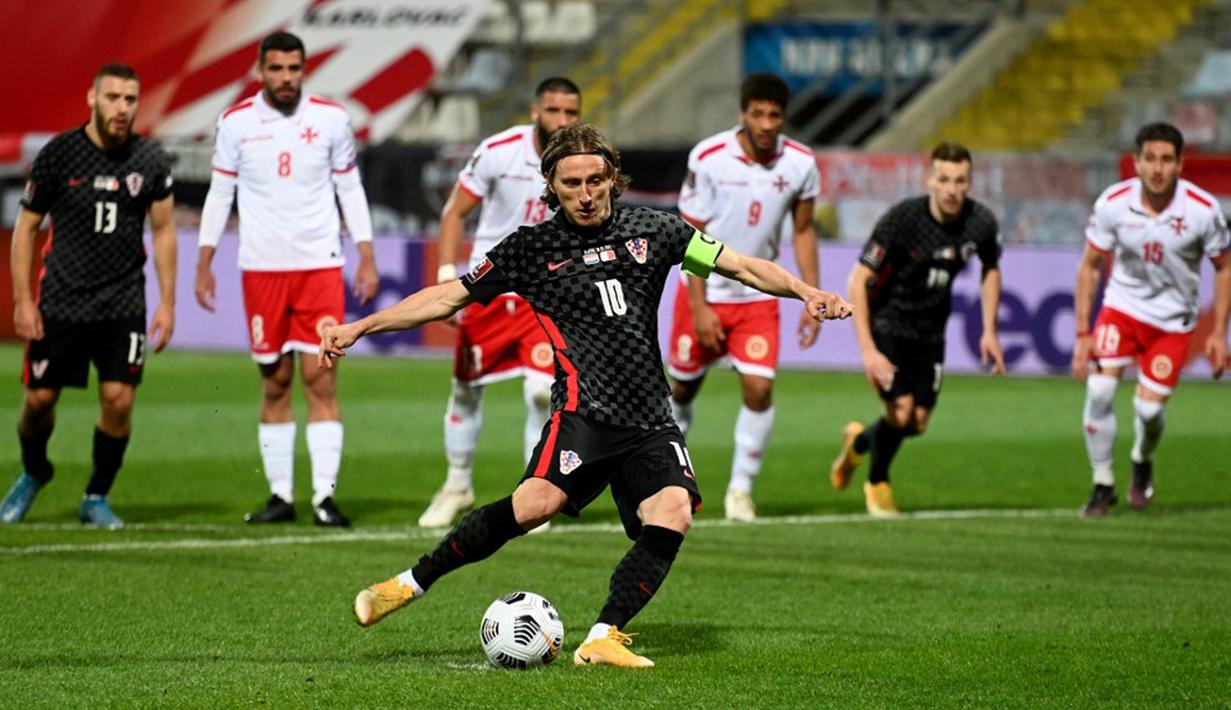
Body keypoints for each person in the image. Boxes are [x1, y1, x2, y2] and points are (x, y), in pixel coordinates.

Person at [320, 124, 851, 668]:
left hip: (649, 416)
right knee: (533, 506)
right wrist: (363, 326)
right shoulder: (531, 248)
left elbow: (740, 265)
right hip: (584, 413)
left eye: (596, 179)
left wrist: (807, 292)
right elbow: (446, 298)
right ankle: (408, 583)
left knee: (673, 511)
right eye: (571, 182)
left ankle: (602, 635)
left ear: (612, 178)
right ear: (551, 186)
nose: (586, 192)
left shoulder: (656, 229)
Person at [195, 31, 378, 527]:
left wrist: (365, 253)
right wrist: (204, 259)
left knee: (322, 376)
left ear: (303, 69)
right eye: (276, 69)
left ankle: (324, 497)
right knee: (274, 382)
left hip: (319, 265)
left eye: (293, 68)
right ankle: (280, 495)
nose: (285, 78)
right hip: (260, 268)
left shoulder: (331, 119)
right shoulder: (235, 123)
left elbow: (350, 188)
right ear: (260, 70)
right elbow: (219, 194)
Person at [0, 63, 177, 529]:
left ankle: (96, 495)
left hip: (123, 301)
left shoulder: (151, 161)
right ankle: (36, 470)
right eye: (113, 98)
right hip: (61, 298)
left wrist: (167, 301)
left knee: (119, 400)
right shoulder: (60, 155)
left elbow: (163, 232)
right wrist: (22, 300)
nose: (122, 108)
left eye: (130, 100)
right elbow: (26, 226)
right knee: (39, 400)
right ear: (92, 99)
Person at [420, 77, 581, 528]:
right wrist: (446, 278)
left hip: (544, 293)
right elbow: (455, 212)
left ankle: (537, 492)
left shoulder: (584, 159)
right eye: (555, 111)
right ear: (535, 111)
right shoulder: (499, 150)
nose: (563, 121)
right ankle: (457, 484)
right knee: (466, 388)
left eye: (572, 113)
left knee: (538, 393)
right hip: (489, 286)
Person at [668, 73, 822, 523]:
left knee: (759, 388)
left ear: (784, 117)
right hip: (705, 290)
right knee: (682, 388)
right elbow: (689, 235)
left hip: (758, 295)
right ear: (743, 113)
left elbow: (805, 229)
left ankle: (740, 491)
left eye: (775, 115)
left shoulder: (801, 164)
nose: (766, 123)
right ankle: (670, 480)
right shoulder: (709, 157)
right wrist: (698, 306)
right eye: (758, 114)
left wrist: (811, 296)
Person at [829, 142, 1005, 517]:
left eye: (961, 181)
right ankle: (877, 483)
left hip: (932, 331)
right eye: (944, 180)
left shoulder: (981, 222)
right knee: (901, 412)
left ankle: (859, 443)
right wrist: (867, 350)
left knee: (918, 423)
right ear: (930, 180)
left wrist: (990, 329)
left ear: (969, 182)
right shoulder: (902, 220)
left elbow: (991, 268)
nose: (953, 189)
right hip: (888, 323)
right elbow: (858, 280)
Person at [1072, 123, 1230, 517]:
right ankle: (1103, 483)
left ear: (1180, 164)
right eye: (1150, 159)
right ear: (1137, 162)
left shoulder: (1203, 211)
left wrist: (1218, 333)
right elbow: (1090, 266)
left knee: (1149, 412)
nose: (1157, 168)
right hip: (1121, 310)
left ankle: (1142, 459)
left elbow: (1224, 268)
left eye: (1166, 159)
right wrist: (1082, 333)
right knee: (1100, 391)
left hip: (1173, 322)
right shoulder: (1113, 203)